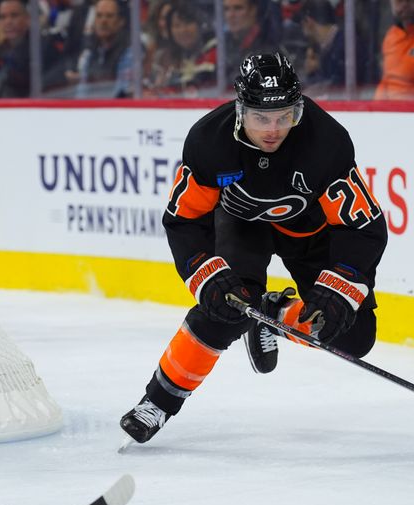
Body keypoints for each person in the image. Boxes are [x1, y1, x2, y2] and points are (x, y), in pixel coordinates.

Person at [120, 52, 388, 444]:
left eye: (284, 116)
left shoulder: (326, 142)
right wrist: (204, 272)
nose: (273, 129)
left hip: (309, 235)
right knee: (225, 308)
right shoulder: (209, 142)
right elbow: (185, 218)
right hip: (241, 226)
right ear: (240, 109)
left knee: (354, 336)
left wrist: (340, 289)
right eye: (261, 117)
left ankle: (273, 313)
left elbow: (361, 225)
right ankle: (157, 402)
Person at [145, 2, 217, 97]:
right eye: (177, 25)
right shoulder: (166, 56)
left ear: (199, 24)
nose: (183, 30)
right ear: (170, 31)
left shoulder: (213, 49)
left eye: (188, 23)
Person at [224, 0, 279, 78]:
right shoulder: (221, 46)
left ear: (253, 10)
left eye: (238, 8)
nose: (230, 15)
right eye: (226, 9)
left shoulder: (269, 48)